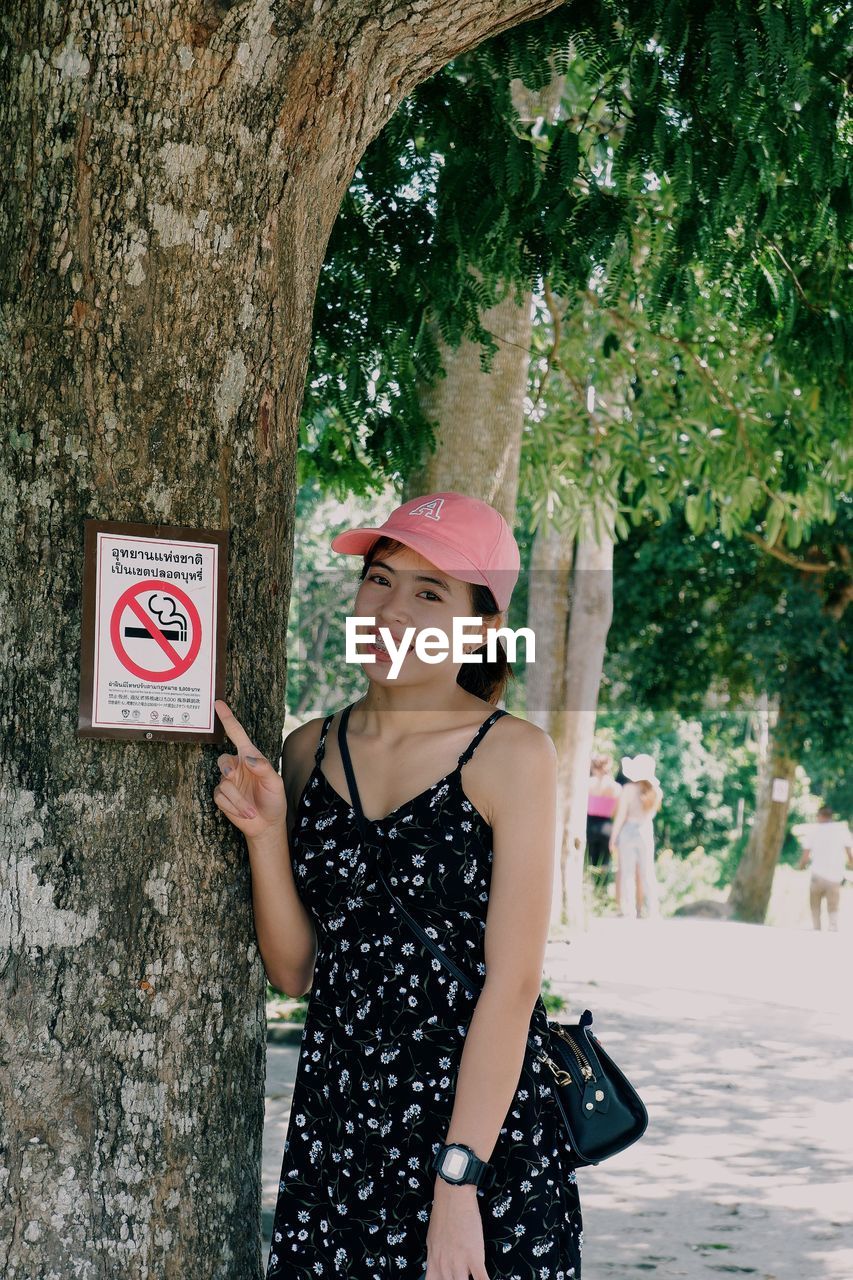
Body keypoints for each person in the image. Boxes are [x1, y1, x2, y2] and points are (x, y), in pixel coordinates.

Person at [212, 490, 583, 1280]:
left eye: (429, 593)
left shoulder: (510, 755)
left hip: (478, 1146)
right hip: (338, 1137)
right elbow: (295, 970)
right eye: (379, 580)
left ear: (482, 625)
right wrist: (266, 834)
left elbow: (512, 988)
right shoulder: (309, 749)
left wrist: (458, 1188)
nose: (391, 611)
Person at [609, 754, 663, 920]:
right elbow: (652, 814)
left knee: (627, 873)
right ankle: (653, 910)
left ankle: (629, 910)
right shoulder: (656, 791)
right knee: (648, 872)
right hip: (646, 829)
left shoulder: (628, 789)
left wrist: (613, 837)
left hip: (628, 831)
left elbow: (621, 816)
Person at [796, 805, 853, 931]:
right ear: (830, 816)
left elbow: (805, 857)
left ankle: (816, 929)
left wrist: (800, 867)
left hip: (817, 876)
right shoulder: (841, 830)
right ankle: (832, 928)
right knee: (833, 907)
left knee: (815, 907)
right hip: (835, 877)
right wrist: (850, 864)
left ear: (820, 816)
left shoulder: (813, 831)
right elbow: (850, 854)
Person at [586, 754, 621, 883]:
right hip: (607, 827)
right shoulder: (616, 788)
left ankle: (592, 889)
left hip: (589, 826)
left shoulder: (588, 784)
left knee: (590, 862)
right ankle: (602, 890)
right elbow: (617, 812)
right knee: (605, 864)